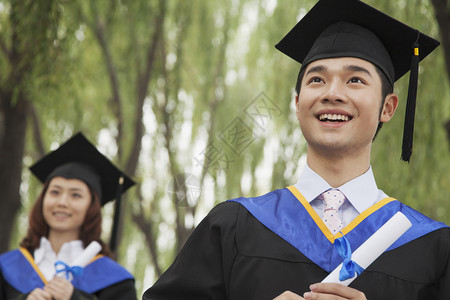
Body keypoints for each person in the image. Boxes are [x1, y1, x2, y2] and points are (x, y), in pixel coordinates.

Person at [142, 0, 450, 299]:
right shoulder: (234, 226)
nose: (333, 93)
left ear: (388, 107)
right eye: (317, 79)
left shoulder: (433, 246)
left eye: (355, 80)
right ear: (297, 103)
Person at [0, 132, 138, 300]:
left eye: (76, 195)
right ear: (43, 199)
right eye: (55, 192)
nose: (62, 202)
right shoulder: (7, 267)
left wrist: (75, 298)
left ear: (92, 207)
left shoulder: (114, 281)